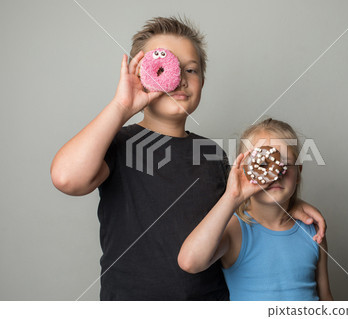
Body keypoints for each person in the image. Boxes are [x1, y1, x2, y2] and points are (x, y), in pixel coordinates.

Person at [50, 16, 326, 300]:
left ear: (203, 81)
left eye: (191, 70)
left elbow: (246, 200)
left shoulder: (212, 155)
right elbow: (67, 178)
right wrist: (122, 106)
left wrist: (292, 204)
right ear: (140, 76)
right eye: (164, 67)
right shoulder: (119, 143)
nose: (179, 78)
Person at [178, 118, 333, 301]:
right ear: (244, 171)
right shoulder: (236, 229)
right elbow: (190, 262)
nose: (275, 174)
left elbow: (325, 297)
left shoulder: (312, 230)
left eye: (284, 165)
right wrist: (233, 196)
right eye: (262, 165)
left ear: (298, 172)